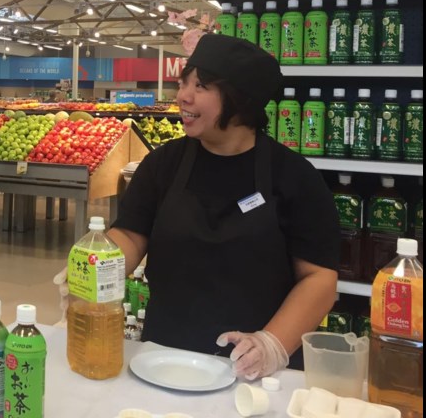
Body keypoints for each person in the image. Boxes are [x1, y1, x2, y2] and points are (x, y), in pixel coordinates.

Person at [106, 33, 339, 380]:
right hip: (164, 358)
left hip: (256, 373)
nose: (183, 96)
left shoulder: (293, 176)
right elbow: (130, 234)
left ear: (239, 99)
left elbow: (319, 277)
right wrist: (95, 269)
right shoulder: (162, 165)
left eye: (200, 86)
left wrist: (272, 343)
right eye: (184, 82)